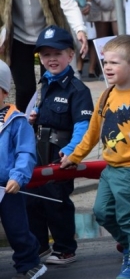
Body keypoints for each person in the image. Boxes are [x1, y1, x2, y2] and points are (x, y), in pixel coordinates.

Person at [60, 36, 130, 279]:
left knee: (127, 216)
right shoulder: (106, 96)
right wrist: (74, 156)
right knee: (102, 212)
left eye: (114, 63)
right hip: (111, 169)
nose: (107, 67)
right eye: (105, 62)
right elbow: (93, 133)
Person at [26, 25, 93, 266]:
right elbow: (39, 111)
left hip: (60, 153)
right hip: (38, 151)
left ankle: (65, 249)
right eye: (45, 54)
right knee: (32, 199)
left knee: (56, 201)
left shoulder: (78, 90)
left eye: (57, 53)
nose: (51, 59)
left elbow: (83, 126)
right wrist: (34, 116)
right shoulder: (44, 83)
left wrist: (73, 151)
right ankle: (40, 246)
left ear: (71, 55)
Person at [0, 59, 47, 279]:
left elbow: (26, 153)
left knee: (16, 228)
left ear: (3, 91)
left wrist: (18, 176)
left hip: (9, 186)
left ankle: (29, 261)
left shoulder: (17, 121)